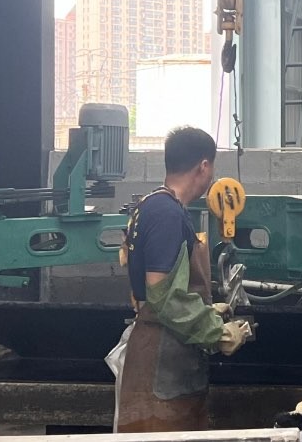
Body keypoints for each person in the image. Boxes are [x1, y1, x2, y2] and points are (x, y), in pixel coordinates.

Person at [115, 126, 252, 432]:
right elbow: (162, 294)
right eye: (212, 167)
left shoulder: (151, 205)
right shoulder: (167, 214)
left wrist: (205, 309)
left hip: (168, 356)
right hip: (162, 363)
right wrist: (216, 331)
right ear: (203, 166)